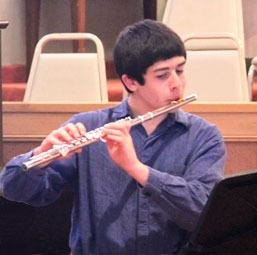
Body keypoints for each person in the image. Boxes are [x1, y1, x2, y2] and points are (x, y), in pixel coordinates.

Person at [0, 20, 226, 254]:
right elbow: (13, 189)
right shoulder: (89, 127)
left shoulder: (204, 137)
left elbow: (204, 212)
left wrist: (137, 169)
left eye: (179, 70)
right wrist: (41, 156)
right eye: (162, 75)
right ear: (130, 82)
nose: (177, 84)